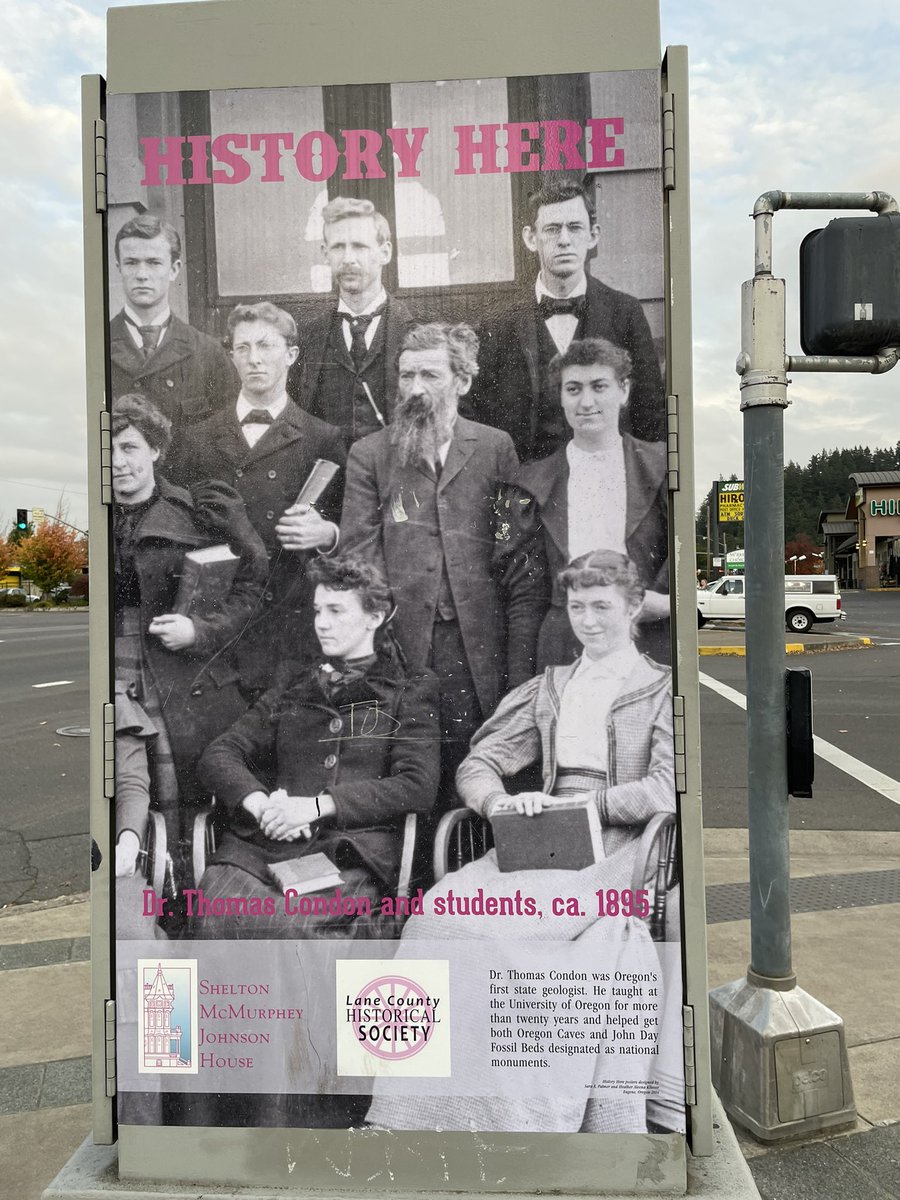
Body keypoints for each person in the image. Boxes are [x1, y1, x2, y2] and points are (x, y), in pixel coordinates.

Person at [366, 550, 680, 1135]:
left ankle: (515, 1117)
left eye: (602, 607)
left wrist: (593, 804)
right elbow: (480, 761)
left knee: (504, 935)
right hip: (543, 838)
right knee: (437, 915)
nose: (587, 620)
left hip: (621, 846)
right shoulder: (551, 686)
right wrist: (501, 803)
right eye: (577, 605)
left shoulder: (662, 689)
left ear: (635, 608)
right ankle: (418, 1113)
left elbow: (667, 787)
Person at [340, 321, 545, 795]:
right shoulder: (370, 455)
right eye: (407, 376)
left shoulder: (495, 448)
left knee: (479, 769)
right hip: (401, 646)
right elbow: (359, 555)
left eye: (429, 376)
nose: (415, 388)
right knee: (409, 776)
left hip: (478, 646)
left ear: (463, 381)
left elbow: (515, 555)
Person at [192, 555, 441, 939]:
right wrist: (262, 807)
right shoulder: (295, 681)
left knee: (291, 927)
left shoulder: (409, 689)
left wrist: (316, 807)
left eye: (336, 610)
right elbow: (221, 753)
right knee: (218, 906)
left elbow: (416, 785)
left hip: (350, 854)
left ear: (374, 617)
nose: (321, 622)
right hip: (266, 849)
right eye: (318, 610)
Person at [111, 393, 268, 907]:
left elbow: (251, 581)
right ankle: (134, 899)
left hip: (180, 671)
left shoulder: (193, 513)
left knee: (183, 787)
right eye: (106, 449)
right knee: (124, 783)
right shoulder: (91, 517)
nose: (118, 462)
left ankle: (189, 896)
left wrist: (200, 631)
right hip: (115, 663)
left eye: (130, 447)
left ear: (156, 450)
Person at [168, 302, 347, 695]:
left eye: (266, 346)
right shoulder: (197, 438)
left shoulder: (322, 438)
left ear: (292, 355)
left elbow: (353, 527)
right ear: (231, 355)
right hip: (218, 615)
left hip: (289, 615)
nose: (254, 359)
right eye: (243, 348)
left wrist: (327, 532)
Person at [472, 179, 665, 461]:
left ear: (593, 236)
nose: (564, 240)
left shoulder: (625, 313)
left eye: (574, 227)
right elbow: (480, 418)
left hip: (606, 481)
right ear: (530, 238)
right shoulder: (498, 322)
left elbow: (649, 413)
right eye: (552, 229)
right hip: (525, 489)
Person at [507, 337, 669, 666]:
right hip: (564, 647)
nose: (586, 402)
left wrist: (669, 605)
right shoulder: (534, 482)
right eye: (573, 389)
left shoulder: (662, 466)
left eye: (599, 386)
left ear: (623, 391)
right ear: (562, 398)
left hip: (649, 640)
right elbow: (526, 598)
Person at [291, 197, 414, 447]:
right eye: (338, 247)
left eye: (359, 246)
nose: (348, 258)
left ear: (385, 252)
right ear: (325, 254)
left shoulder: (416, 331)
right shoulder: (306, 338)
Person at [109, 214, 237, 434]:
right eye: (131, 262)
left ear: (174, 269)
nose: (142, 274)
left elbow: (230, 435)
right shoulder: (93, 347)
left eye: (153, 263)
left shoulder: (207, 352)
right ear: (119, 267)